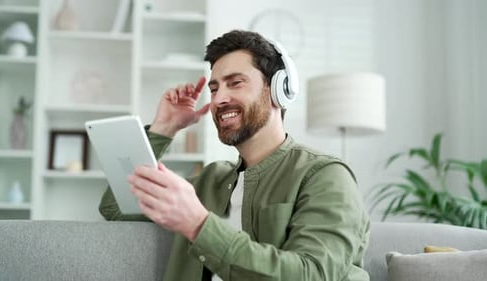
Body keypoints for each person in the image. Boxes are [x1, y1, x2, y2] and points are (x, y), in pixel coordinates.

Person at [99, 29, 370, 281]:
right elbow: (117, 208)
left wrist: (197, 224)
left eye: (235, 83)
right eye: (214, 88)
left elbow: (313, 274)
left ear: (278, 90)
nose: (218, 99)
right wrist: (165, 127)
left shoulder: (325, 176)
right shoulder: (211, 181)